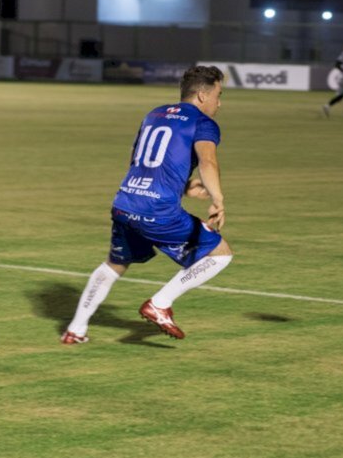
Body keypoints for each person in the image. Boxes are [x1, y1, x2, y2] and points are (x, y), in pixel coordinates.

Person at [61, 65, 234, 344]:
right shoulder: (203, 123)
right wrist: (218, 199)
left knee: (115, 263)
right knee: (220, 253)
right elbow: (207, 161)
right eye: (218, 94)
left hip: (125, 201)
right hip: (157, 210)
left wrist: (185, 186)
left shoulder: (154, 114)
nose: (220, 103)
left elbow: (139, 159)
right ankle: (160, 303)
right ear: (202, 95)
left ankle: (75, 329)